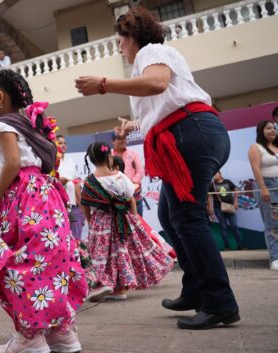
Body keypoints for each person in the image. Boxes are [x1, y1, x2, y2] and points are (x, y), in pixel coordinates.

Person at [75, 6, 239, 330]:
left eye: (119, 41)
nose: (118, 47)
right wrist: (133, 126)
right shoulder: (149, 62)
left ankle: (220, 302)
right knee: (168, 214)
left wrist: (105, 84)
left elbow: (159, 84)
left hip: (191, 134)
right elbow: (163, 103)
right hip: (190, 134)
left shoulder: (151, 53)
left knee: (187, 218)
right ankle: (195, 290)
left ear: (131, 36)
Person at [0, 69, 87, 353]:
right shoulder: (32, 126)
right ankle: (62, 333)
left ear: (0, 98)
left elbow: (12, 164)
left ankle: (29, 337)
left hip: (23, 197)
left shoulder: (3, 126)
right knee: (50, 261)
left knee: (17, 260)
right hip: (47, 196)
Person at [80, 142, 174, 301]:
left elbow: (86, 205)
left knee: (104, 255)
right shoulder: (119, 175)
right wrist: (135, 217)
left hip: (101, 224)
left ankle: (106, 284)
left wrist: (90, 222)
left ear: (91, 159)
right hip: (123, 220)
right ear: (110, 157)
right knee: (121, 252)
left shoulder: (90, 181)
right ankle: (121, 289)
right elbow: (131, 197)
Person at [248, 120, 278, 271]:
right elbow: (255, 168)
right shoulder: (256, 147)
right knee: (273, 223)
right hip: (268, 186)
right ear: (261, 130)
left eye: (274, 128)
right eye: (268, 128)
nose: (272, 130)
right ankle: (275, 258)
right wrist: (263, 187)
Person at [57, 135, 86, 240]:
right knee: (63, 239)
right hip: (59, 206)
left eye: (64, 143)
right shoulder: (52, 162)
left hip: (73, 206)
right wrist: (60, 182)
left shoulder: (70, 161)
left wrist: (82, 205)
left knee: (76, 239)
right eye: (60, 143)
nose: (63, 145)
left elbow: (76, 183)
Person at [207, 171, 244, 250]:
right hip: (218, 209)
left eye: (215, 173)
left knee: (234, 226)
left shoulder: (228, 182)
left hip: (230, 207)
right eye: (212, 174)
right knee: (223, 227)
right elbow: (209, 197)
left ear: (220, 174)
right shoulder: (211, 185)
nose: (213, 175)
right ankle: (227, 247)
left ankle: (240, 246)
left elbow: (236, 191)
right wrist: (210, 209)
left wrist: (236, 201)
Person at [112, 132, 145, 215]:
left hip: (134, 193)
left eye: (124, 138)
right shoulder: (109, 156)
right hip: (117, 197)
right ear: (112, 141)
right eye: (119, 138)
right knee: (122, 224)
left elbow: (140, 171)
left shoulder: (133, 153)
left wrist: (131, 185)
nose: (123, 141)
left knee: (139, 223)